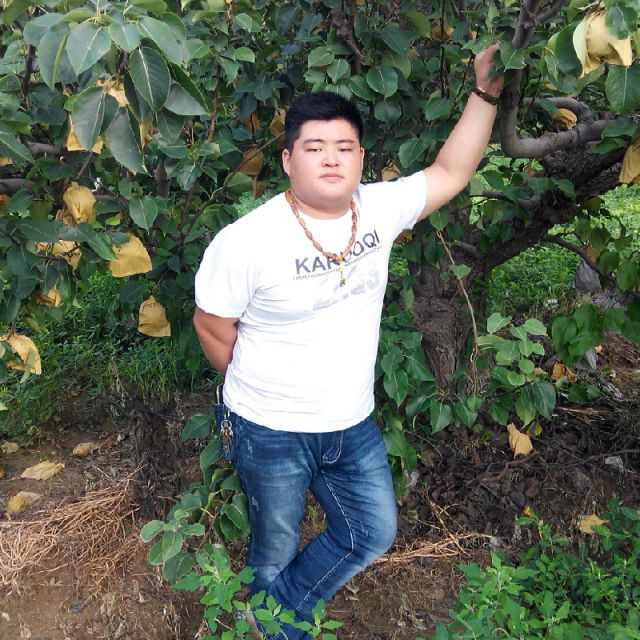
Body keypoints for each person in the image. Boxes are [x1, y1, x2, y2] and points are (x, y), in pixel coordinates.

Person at [193, 45, 503, 639]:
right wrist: (266, 387)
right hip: (270, 428)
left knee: (371, 532)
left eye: (344, 147)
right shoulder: (247, 241)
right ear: (288, 160)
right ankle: (277, 629)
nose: (331, 158)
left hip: (351, 422)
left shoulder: (378, 210)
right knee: (274, 546)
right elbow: (212, 327)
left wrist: (485, 92)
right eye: (314, 147)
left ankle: (270, 616)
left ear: (361, 157)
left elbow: (451, 172)